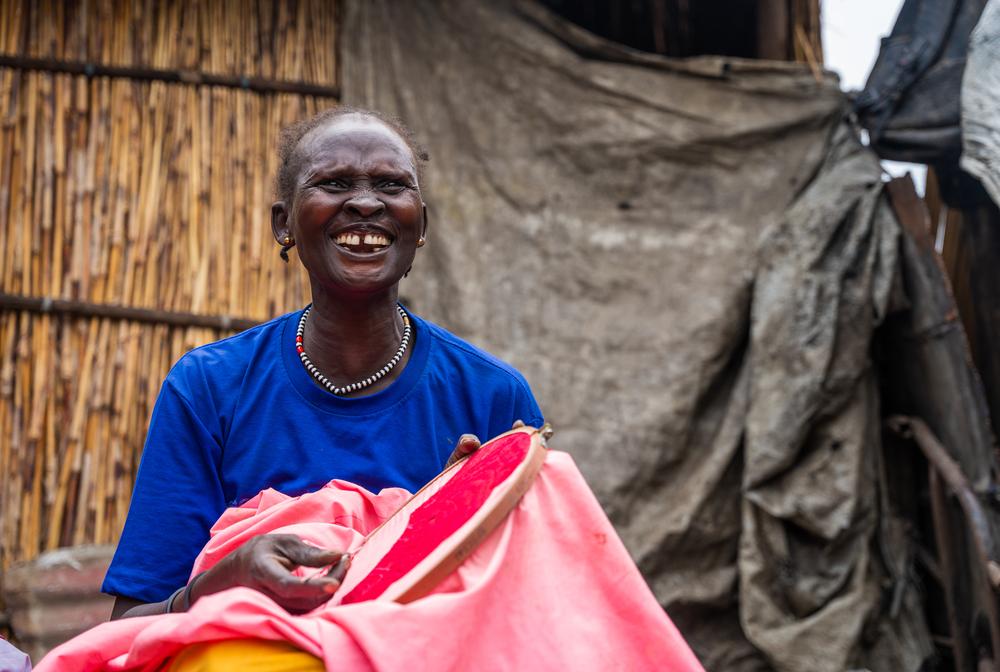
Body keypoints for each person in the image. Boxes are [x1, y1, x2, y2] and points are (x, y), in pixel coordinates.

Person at [103, 107, 544, 620]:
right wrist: (218, 585)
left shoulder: (492, 398)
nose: (363, 203)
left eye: (391, 185)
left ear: (420, 224)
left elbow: (531, 611)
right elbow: (128, 629)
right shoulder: (210, 388)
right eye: (333, 183)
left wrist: (443, 523)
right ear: (284, 223)